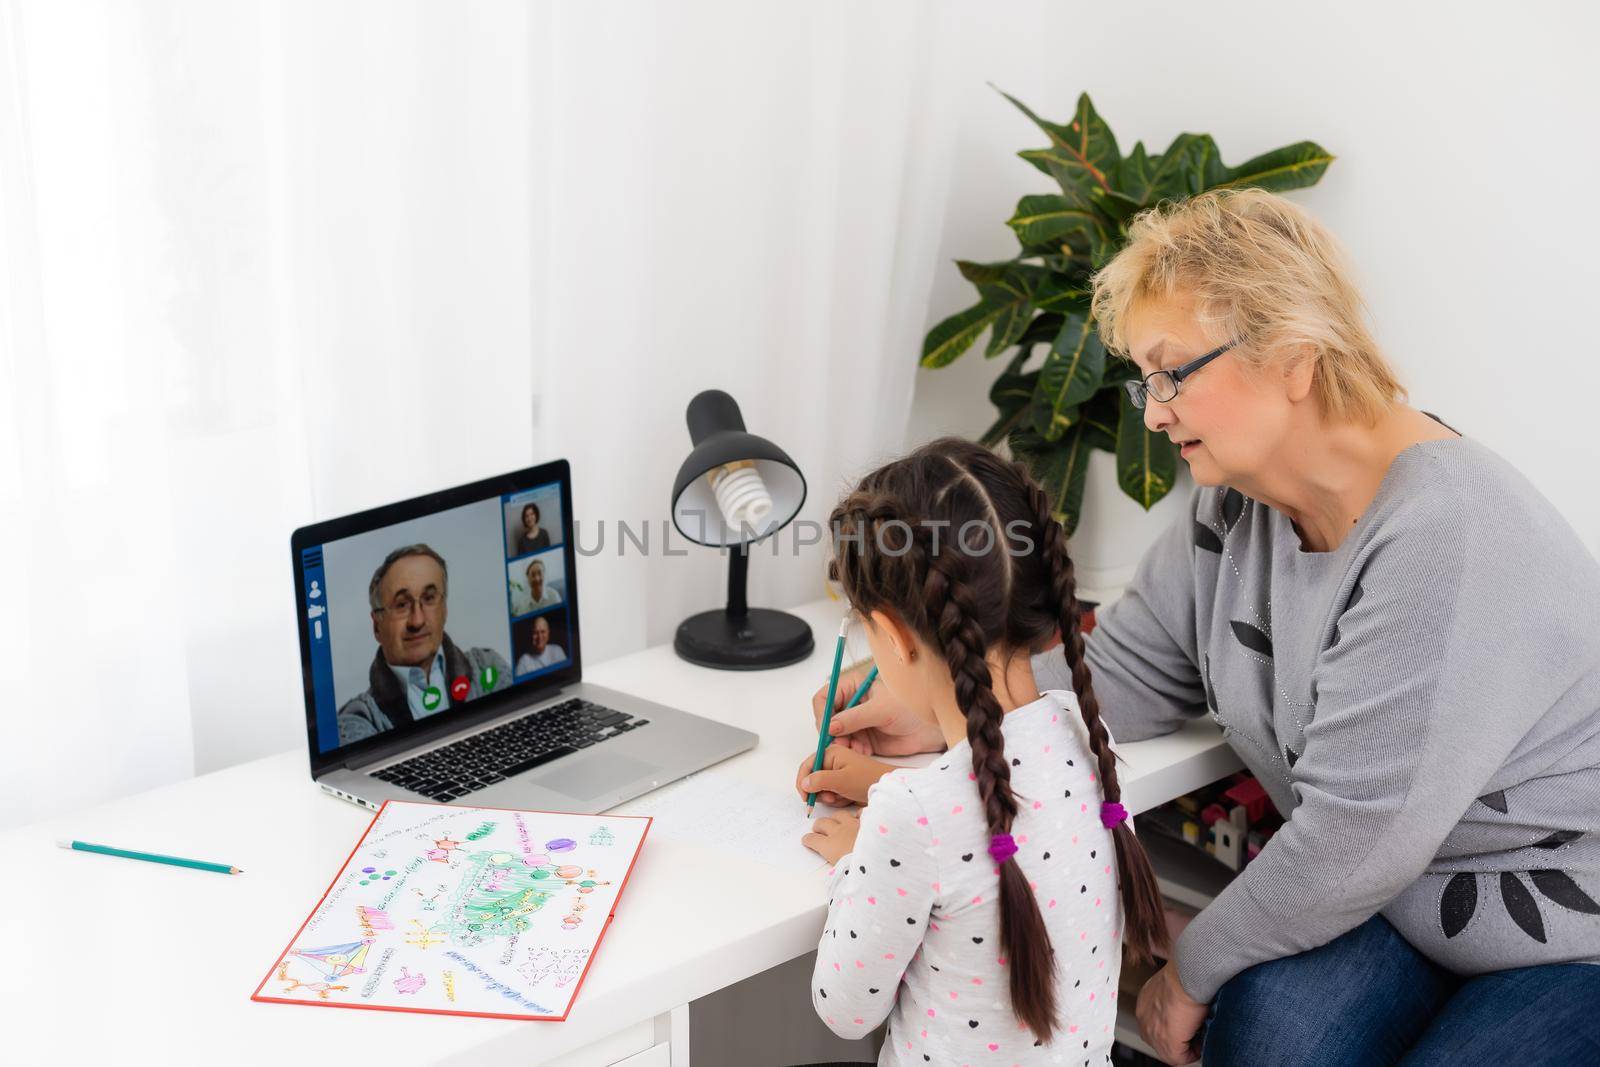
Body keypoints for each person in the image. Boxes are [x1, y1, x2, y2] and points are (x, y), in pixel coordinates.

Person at [817, 189, 1600, 1066]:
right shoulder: (1236, 506)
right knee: (1271, 1038)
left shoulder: (1444, 534)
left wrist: (1185, 969)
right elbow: (1129, 676)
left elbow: (1351, 841)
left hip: (1564, 941)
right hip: (1398, 904)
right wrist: (942, 706)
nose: (1153, 412)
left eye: (1171, 373)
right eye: (1144, 380)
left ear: (1293, 356)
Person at [794, 438, 1169, 1066]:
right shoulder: (1085, 738)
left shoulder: (912, 813)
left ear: (891, 635)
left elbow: (843, 1008)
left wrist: (856, 864)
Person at [336, 544, 511, 745]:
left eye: (429, 598)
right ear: (377, 626)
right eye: (401, 604)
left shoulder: (488, 666)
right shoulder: (359, 719)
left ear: (444, 609)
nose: (417, 621)